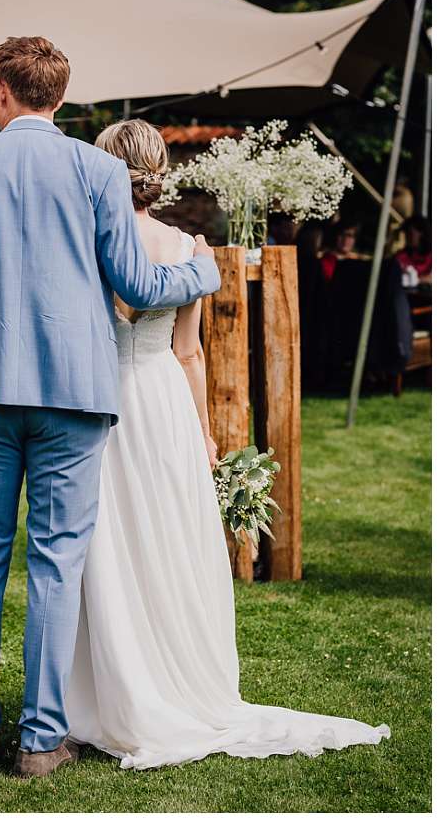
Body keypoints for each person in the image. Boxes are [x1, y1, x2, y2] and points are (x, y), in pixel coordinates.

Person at [0, 36, 221, 779]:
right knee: (56, 559)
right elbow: (138, 283)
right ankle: (41, 740)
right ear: (60, 99)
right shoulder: (99, 170)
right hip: (75, 393)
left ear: (0, 92)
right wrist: (201, 270)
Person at [64, 120, 389, 770]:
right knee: (166, 538)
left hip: (97, 403)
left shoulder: (83, 241)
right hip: (161, 404)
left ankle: (105, 694)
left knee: (104, 544)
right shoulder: (189, 247)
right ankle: (169, 680)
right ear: (159, 172)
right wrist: (203, 430)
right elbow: (189, 352)